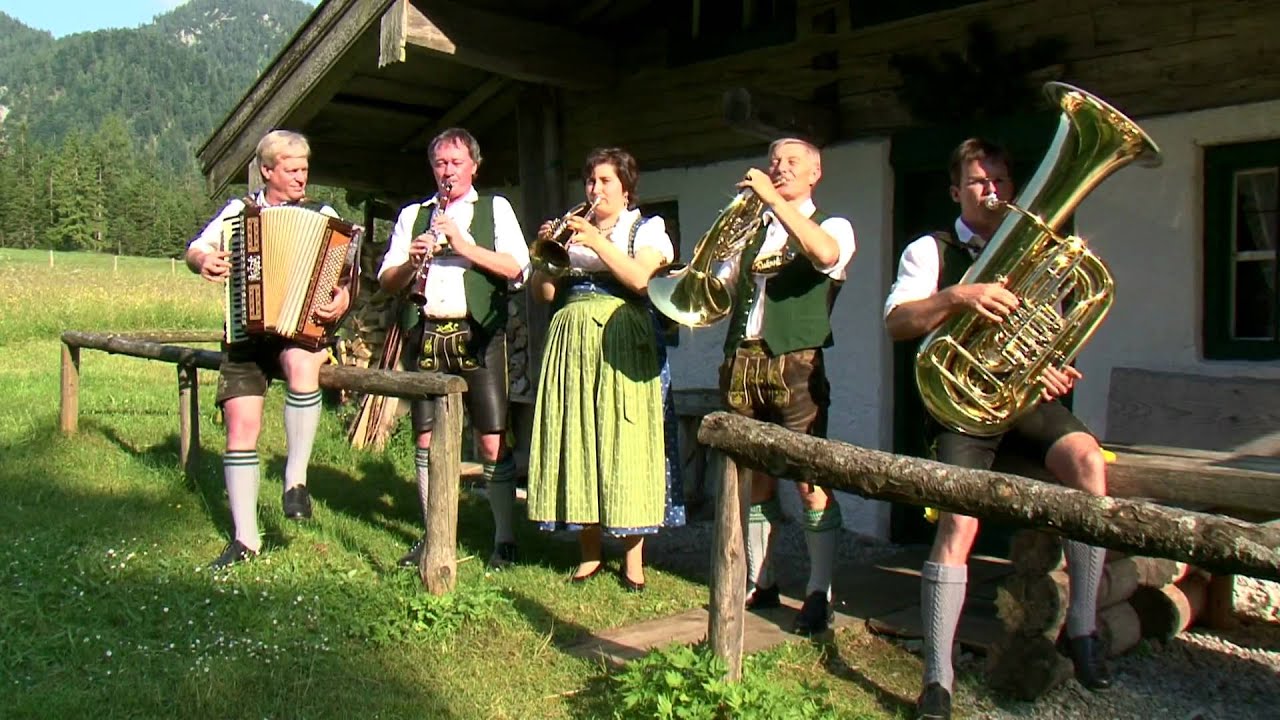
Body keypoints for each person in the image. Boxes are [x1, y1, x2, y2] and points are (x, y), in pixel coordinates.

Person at [883, 137, 1112, 720]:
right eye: (979, 182)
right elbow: (897, 323)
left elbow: (1049, 334)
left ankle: (1083, 627)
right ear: (956, 191)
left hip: (1022, 400)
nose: (992, 191)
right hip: (961, 406)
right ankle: (938, 678)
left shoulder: (1037, 252)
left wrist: (1054, 367)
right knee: (960, 521)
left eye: (1002, 182)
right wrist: (957, 296)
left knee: (1088, 462)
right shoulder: (928, 251)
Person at [186, 129, 352, 570]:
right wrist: (205, 260)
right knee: (241, 426)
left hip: (299, 331)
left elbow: (345, 276)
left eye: (304, 169)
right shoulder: (240, 213)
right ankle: (246, 539)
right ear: (267, 171)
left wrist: (343, 298)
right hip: (248, 329)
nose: (301, 178)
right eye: (292, 170)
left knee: (302, 363)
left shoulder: (323, 214)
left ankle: (294, 479)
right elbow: (197, 247)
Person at [526, 147, 685, 592]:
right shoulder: (571, 232)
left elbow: (639, 280)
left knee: (626, 440)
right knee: (579, 436)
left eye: (606, 182)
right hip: (572, 343)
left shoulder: (646, 230)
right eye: (591, 182)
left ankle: (634, 560)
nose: (595, 190)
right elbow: (543, 295)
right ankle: (589, 553)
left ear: (627, 189)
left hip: (625, 341)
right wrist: (547, 256)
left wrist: (596, 242)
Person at [717, 137, 857, 635]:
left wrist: (774, 202)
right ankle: (763, 579)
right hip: (743, 360)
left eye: (791, 163)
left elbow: (824, 254)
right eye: (775, 162)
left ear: (815, 173)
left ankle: (820, 592)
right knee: (755, 477)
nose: (779, 169)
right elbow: (717, 291)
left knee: (809, 479)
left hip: (795, 364)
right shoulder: (753, 232)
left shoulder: (832, 223)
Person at [378, 127, 530, 570]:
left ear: (474, 166)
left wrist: (464, 245)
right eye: (441, 163)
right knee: (424, 437)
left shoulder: (495, 209)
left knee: (491, 437)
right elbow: (388, 281)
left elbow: (517, 269)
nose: (448, 172)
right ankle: (434, 535)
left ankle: (504, 538)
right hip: (426, 333)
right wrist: (413, 258)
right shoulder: (414, 215)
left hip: (479, 334)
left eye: (456, 163)